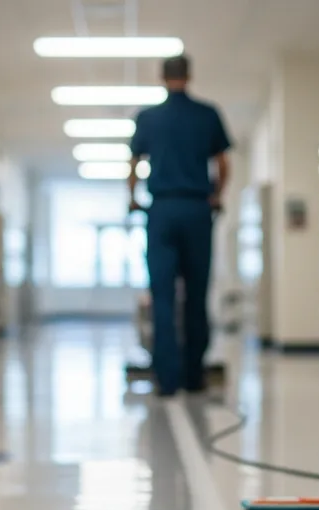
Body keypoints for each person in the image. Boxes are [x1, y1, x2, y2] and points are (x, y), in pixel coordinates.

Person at [128, 55, 232, 397]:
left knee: (162, 295)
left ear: (162, 77)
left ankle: (167, 378)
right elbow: (222, 164)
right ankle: (193, 375)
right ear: (190, 75)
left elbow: (133, 166)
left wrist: (133, 198)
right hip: (196, 210)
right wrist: (216, 196)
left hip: (161, 210)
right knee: (197, 293)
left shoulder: (148, 118)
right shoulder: (207, 114)